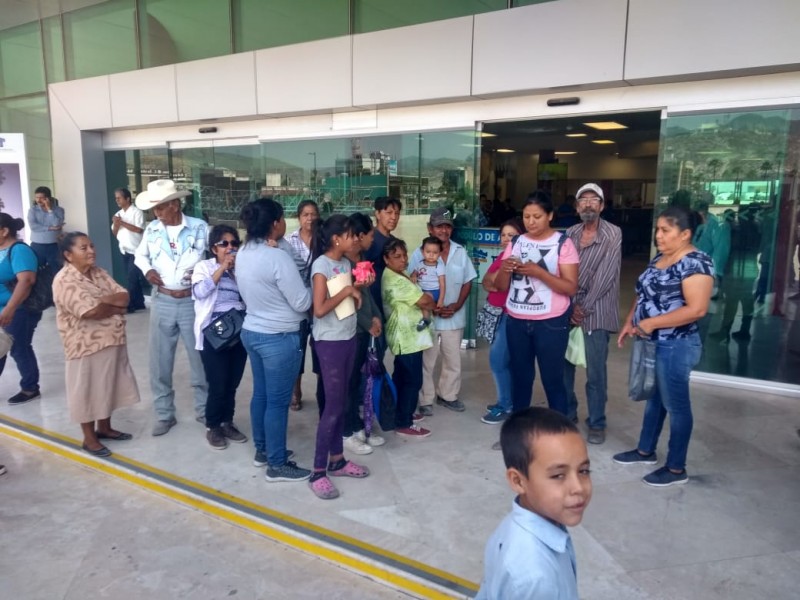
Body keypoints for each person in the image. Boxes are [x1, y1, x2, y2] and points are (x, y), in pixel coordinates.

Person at [614, 206, 714, 487]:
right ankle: (645, 451)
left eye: (665, 230)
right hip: (653, 342)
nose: (658, 235)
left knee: (676, 405)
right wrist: (630, 320)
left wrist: (653, 323)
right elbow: (643, 293)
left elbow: (697, 309)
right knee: (654, 400)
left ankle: (675, 468)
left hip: (677, 345)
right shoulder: (660, 258)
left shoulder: (697, 263)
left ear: (685, 234)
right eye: (657, 229)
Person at [476, 407, 592, 600]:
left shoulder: (520, 522)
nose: (578, 487)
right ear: (518, 481)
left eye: (584, 471)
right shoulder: (535, 579)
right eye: (558, 475)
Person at [237, 198, 313, 482]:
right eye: (282, 218)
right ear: (274, 223)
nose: (285, 223)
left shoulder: (245, 251)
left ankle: (263, 451)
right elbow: (302, 301)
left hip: (253, 331)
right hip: (279, 337)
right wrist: (317, 286)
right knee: (278, 403)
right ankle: (277, 464)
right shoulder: (276, 257)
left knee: (262, 395)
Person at [52, 232, 140, 457]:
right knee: (87, 390)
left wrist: (104, 301)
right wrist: (114, 307)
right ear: (68, 255)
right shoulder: (64, 280)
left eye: (91, 245)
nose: (91, 251)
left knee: (107, 385)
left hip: (112, 340)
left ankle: (105, 427)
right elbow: (89, 312)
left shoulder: (99, 273)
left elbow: (125, 296)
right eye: (84, 248)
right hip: (84, 345)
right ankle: (89, 439)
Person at [133, 179, 208, 436]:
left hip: (192, 302)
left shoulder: (200, 228)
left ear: (175, 205)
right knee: (160, 360)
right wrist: (148, 270)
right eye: (155, 209)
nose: (157, 213)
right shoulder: (152, 230)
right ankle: (165, 414)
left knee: (199, 358)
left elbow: (215, 255)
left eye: (161, 207)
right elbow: (139, 255)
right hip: (162, 300)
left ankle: (204, 410)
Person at [494, 191, 579, 416]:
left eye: (537, 216)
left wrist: (539, 272)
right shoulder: (516, 242)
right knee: (521, 379)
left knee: (553, 380)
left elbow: (570, 287)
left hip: (550, 323)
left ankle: (559, 434)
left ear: (550, 216)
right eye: (526, 216)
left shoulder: (563, 243)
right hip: (517, 321)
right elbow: (501, 286)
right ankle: (519, 432)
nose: (530, 222)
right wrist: (505, 268)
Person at [309, 214, 370, 500]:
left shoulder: (345, 264)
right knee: (332, 408)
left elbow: (346, 300)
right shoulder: (321, 266)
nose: (355, 239)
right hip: (329, 342)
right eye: (350, 235)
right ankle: (318, 471)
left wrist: (359, 288)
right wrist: (347, 289)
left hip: (347, 337)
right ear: (336, 238)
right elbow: (319, 309)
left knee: (341, 403)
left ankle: (337, 460)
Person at [563, 184, 622, 445]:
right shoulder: (569, 233)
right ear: (576, 207)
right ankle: (567, 413)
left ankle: (597, 422)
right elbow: (562, 270)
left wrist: (582, 307)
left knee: (596, 373)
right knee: (563, 367)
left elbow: (605, 277)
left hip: (596, 311)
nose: (588, 204)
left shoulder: (613, 233)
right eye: (583, 200)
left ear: (602, 206)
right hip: (568, 307)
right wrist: (571, 305)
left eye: (593, 200)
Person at [413, 207, 477, 415]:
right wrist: (432, 307)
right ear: (430, 228)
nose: (444, 230)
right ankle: (425, 399)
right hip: (428, 315)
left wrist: (456, 306)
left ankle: (448, 395)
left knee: (453, 360)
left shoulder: (460, 251)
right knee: (426, 361)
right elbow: (412, 284)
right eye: (439, 226)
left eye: (447, 226)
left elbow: (468, 281)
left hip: (453, 316)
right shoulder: (419, 252)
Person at [192, 225, 248, 450]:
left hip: (239, 330)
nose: (230, 248)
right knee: (218, 382)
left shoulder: (241, 268)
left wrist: (234, 272)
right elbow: (198, 292)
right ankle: (212, 425)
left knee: (232, 382)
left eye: (234, 243)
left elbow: (249, 294)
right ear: (214, 248)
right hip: (214, 334)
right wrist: (222, 268)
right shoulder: (203, 267)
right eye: (224, 244)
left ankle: (227, 422)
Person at [382, 238, 435, 438]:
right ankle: (404, 421)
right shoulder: (396, 280)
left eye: (405, 255)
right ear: (386, 259)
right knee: (413, 380)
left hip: (408, 337)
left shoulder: (395, 274)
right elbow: (426, 302)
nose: (403, 260)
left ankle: (399, 412)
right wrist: (429, 299)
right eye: (397, 256)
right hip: (407, 338)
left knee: (402, 377)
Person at [342, 212, 385, 455]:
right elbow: (349, 303)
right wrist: (368, 323)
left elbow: (366, 296)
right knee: (347, 384)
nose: (372, 239)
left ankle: (358, 425)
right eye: (370, 234)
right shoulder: (341, 265)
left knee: (357, 381)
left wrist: (376, 315)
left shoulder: (361, 260)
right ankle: (347, 431)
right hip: (352, 331)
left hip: (364, 330)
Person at [481, 219, 524, 427]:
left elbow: (497, 284)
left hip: (510, 315)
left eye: (512, 235)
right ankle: (507, 400)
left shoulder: (518, 259)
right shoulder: (502, 256)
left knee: (497, 360)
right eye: (504, 235)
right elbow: (487, 283)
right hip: (497, 313)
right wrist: (493, 279)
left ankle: (506, 405)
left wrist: (494, 279)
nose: (507, 239)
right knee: (504, 361)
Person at [0, 213, 43, 405]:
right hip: (5, 308)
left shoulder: (18, 250)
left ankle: (30, 387)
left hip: (19, 309)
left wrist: (9, 308)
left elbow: (26, 281)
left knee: (18, 347)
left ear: (4, 231)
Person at [285, 199, 320, 411]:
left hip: (319, 303)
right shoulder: (289, 241)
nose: (310, 218)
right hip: (297, 304)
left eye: (313, 214)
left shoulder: (323, 240)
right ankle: (295, 392)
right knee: (297, 350)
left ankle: (321, 390)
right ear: (299, 217)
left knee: (319, 349)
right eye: (306, 214)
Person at [364, 196, 402, 317]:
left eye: (397, 213)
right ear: (378, 214)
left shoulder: (395, 242)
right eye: (389, 212)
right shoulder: (369, 240)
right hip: (372, 306)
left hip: (391, 306)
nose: (394, 217)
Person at [111, 187, 146, 313]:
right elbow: (115, 233)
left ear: (127, 198)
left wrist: (122, 223)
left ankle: (130, 305)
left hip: (136, 250)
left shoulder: (137, 212)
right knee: (132, 277)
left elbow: (139, 229)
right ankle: (139, 302)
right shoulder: (118, 214)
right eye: (116, 199)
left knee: (132, 278)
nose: (117, 201)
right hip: (124, 250)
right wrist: (116, 224)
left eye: (119, 198)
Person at [408, 236, 446, 330]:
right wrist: (414, 276)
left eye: (435, 252)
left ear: (440, 253)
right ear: (422, 252)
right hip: (422, 290)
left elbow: (442, 284)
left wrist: (441, 300)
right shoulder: (419, 263)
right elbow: (414, 272)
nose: (431, 255)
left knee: (425, 298)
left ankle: (426, 319)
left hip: (434, 291)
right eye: (428, 252)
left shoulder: (439, 266)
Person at [27, 186, 65, 272]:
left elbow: (56, 223)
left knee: (57, 270)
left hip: (54, 246)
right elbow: (33, 226)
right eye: (37, 197)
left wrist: (49, 210)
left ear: (48, 198)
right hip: (37, 245)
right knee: (36, 270)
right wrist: (50, 228)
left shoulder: (59, 210)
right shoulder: (33, 210)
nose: (38, 200)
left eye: (41, 198)